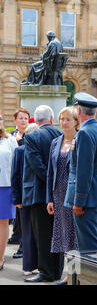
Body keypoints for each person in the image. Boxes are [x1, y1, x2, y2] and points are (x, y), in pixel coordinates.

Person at [22, 105, 63, 283]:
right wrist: (56, 183)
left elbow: (36, 165)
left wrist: (49, 183)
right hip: (59, 192)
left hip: (39, 194)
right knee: (57, 232)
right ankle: (57, 271)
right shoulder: (60, 135)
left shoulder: (31, 137)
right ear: (52, 119)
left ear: (36, 120)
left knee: (42, 234)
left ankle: (46, 271)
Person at [65, 93, 97, 254]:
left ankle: (91, 279)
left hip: (87, 198)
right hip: (95, 194)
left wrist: (79, 201)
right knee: (89, 241)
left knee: (88, 247)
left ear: (79, 112)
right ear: (95, 112)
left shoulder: (84, 133)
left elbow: (84, 169)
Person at [46, 106, 79, 285]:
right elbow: (50, 172)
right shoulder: (55, 142)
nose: (64, 122)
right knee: (65, 235)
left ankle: (76, 274)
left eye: (68, 119)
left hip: (74, 193)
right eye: (62, 119)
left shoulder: (80, 139)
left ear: (76, 121)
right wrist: (49, 198)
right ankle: (70, 274)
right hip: (58, 194)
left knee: (75, 235)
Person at [12, 123, 39, 276]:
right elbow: (15, 176)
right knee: (27, 233)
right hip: (24, 197)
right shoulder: (19, 151)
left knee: (34, 232)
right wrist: (17, 198)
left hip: (38, 197)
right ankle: (28, 265)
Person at [8, 108, 30, 258]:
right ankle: (16, 234)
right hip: (11, 175)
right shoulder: (9, 136)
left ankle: (22, 238)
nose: (23, 121)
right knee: (15, 206)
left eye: (26, 118)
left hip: (25, 177)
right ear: (15, 120)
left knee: (22, 208)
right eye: (21, 118)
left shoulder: (31, 135)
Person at [0, 113, 18, 270]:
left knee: (2, 223)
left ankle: (0, 258)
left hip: (5, 187)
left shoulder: (10, 140)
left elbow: (17, 165)